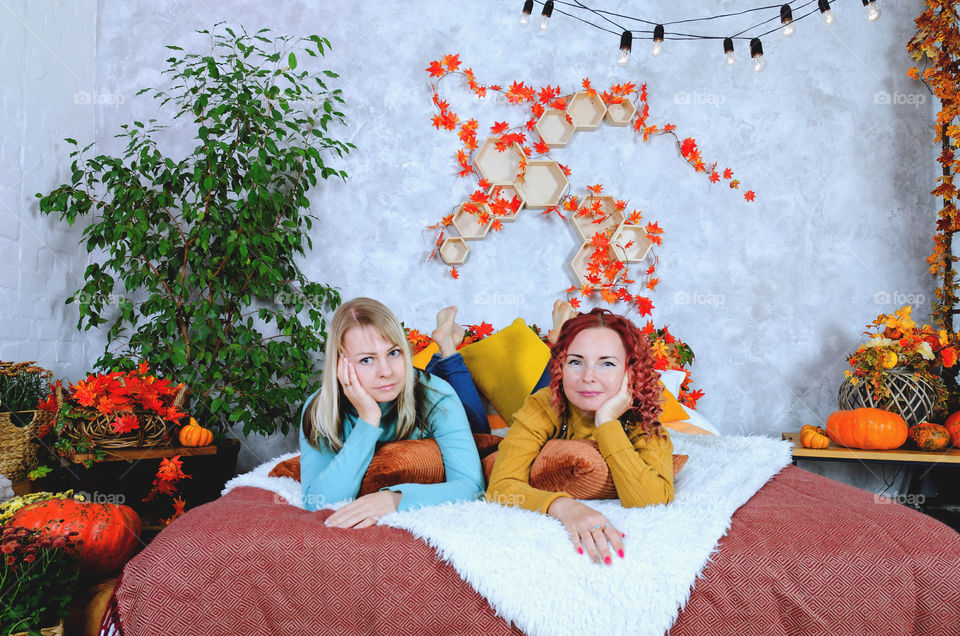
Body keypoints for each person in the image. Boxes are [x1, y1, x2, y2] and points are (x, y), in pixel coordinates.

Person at [485, 307, 674, 566]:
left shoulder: (643, 419)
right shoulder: (542, 406)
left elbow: (652, 501)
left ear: (630, 371)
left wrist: (606, 421)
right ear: (561, 366)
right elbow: (501, 487)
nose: (588, 377)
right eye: (576, 361)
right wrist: (565, 507)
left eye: (607, 363)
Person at [299, 297, 484, 528]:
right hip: (414, 386)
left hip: (431, 392)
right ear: (340, 364)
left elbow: (472, 487)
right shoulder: (319, 409)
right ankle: (440, 349)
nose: (385, 371)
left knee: (480, 428)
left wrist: (394, 498)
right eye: (367, 359)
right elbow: (318, 502)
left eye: (394, 353)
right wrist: (368, 419)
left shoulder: (438, 396)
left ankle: (447, 347)